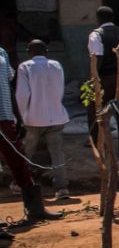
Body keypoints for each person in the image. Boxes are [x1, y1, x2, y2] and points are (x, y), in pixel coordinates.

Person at [0, 44, 60, 224]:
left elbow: (9, 86)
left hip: (4, 116)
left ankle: (35, 209)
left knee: (19, 160)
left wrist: (18, 116)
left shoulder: (2, 52)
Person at [16, 39, 68, 198]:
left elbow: (22, 94)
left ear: (29, 52)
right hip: (56, 116)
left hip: (34, 118)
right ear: (46, 51)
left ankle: (21, 184)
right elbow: (60, 89)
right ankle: (61, 188)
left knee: (27, 152)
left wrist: (22, 115)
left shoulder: (25, 67)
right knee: (57, 152)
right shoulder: (56, 65)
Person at [86, 5, 119, 158]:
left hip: (105, 78)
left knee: (95, 110)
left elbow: (97, 58)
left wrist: (94, 80)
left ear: (98, 19)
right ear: (113, 18)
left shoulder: (96, 35)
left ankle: (96, 143)